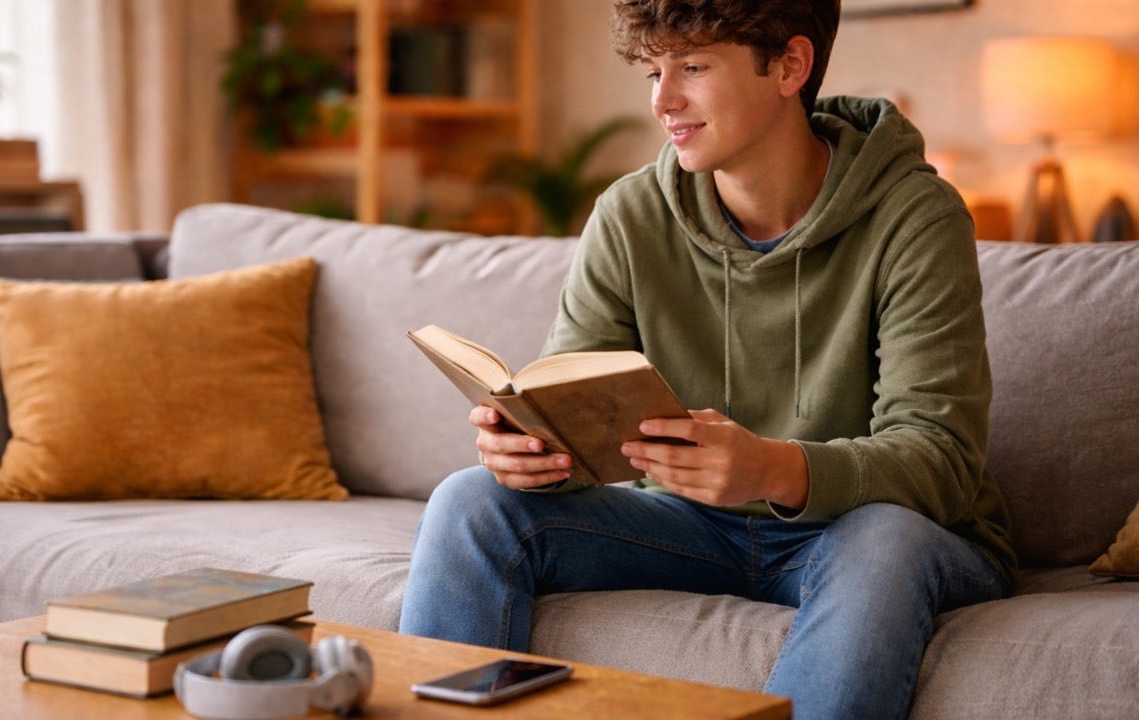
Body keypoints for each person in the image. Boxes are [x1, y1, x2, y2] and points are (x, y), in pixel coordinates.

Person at [399, 1, 1015, 718]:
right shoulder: (630, 215)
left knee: (883, 539)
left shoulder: (916, 216)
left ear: (790, 66)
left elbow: (940, 458)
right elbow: (572, 400)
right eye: (655, 69)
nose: (663, 101)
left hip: (872, 529)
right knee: (471, 502)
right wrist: (530, 453)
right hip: (691, 525)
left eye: (692, 66)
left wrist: (770, 468)